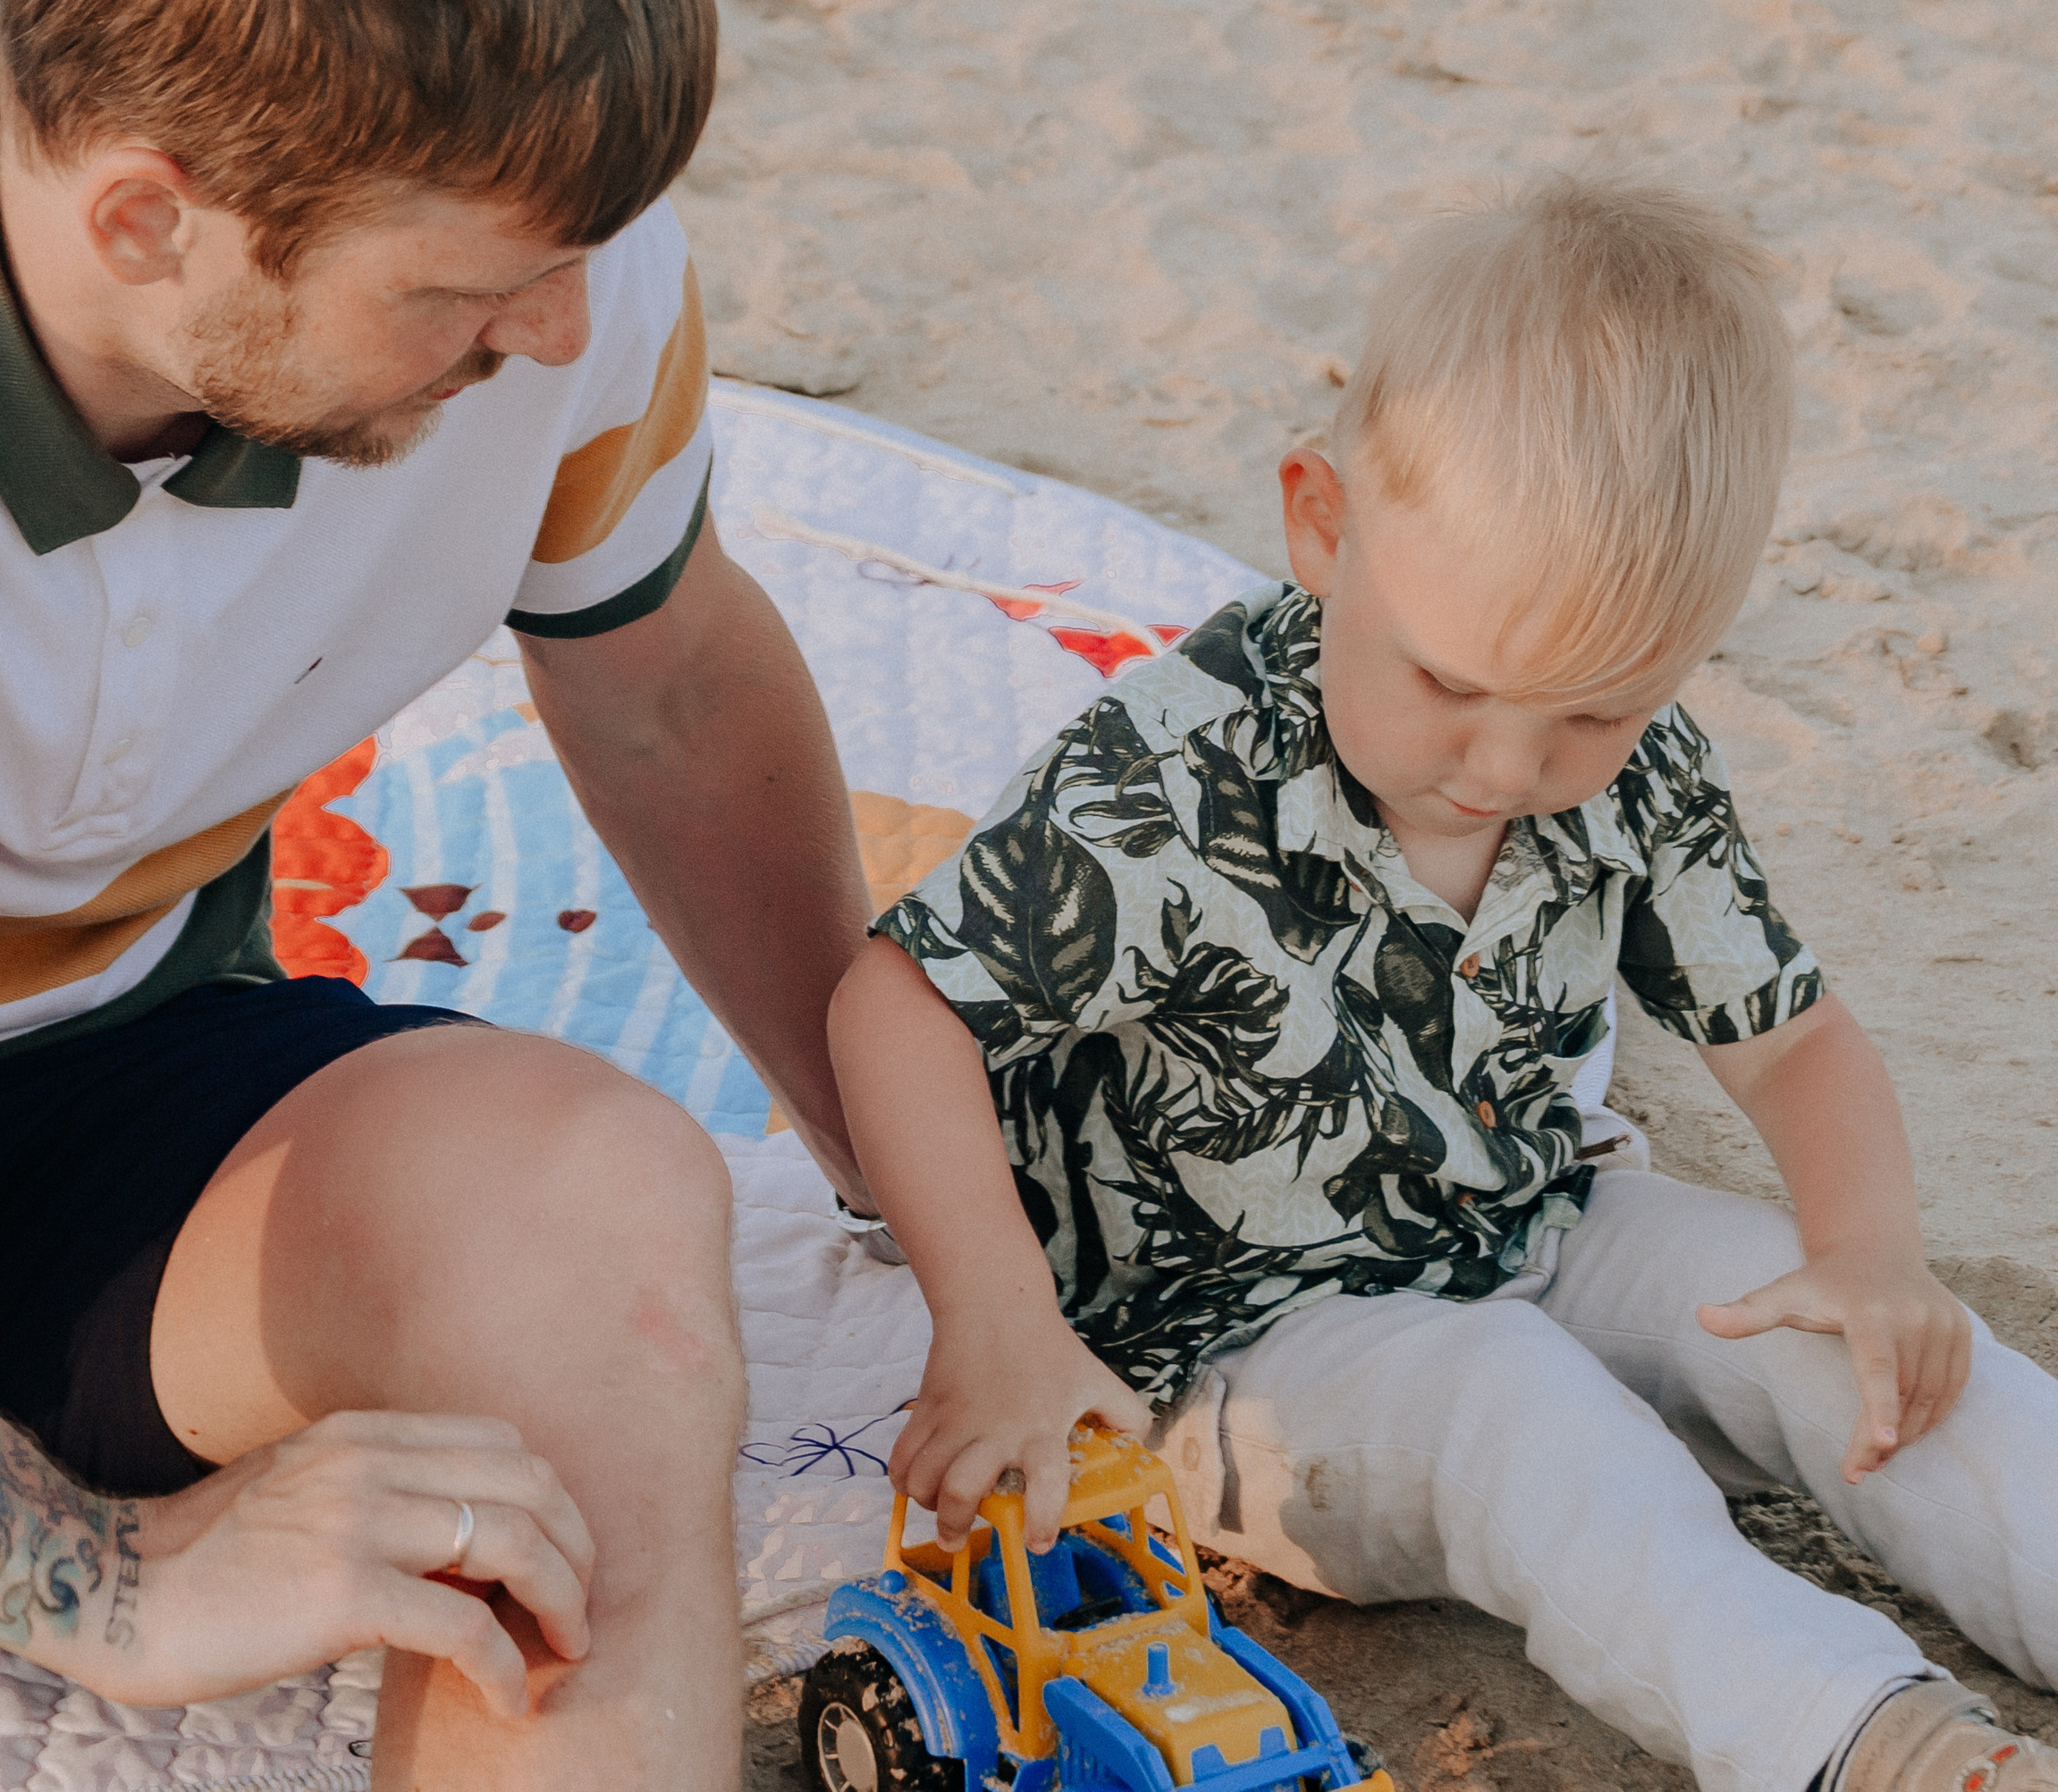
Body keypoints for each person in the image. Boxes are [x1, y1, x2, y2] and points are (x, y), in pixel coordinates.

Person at [0, 0, 877, 1792]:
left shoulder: (551, 255)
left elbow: (658, 684)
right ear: (153, 218)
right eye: (468, 288)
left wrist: (913, 1160)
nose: (560, 330)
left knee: (601, 1229)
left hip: (97, 1102)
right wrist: (96, 1576)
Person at [829, 177, 2058, 1792]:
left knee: (1841, 1327)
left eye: (1592, 715)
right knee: (1512, 1413)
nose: (1508, 767)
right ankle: (1863, 1740)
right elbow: (898, 1004)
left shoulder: (1634, 770)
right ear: (1325, 524)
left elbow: (1795, 1038)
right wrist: (993, 1317)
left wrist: (1876, 1254)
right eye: (1452, 686)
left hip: (1535, 1217)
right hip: (1235, 1351)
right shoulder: (1170, 780)